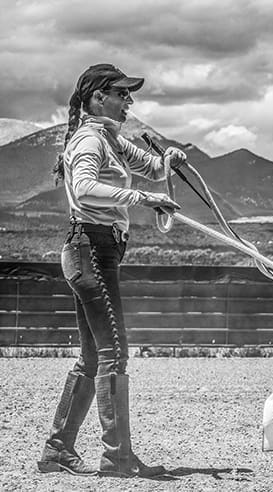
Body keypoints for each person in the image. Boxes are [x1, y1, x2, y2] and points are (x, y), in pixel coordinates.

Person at [37, 63, 184, 478]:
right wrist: (142, 198)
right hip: (93, 250)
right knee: (114, 352)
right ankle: (117, 457)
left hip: (94, 250)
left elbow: (154, 169)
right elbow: (83, 188)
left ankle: (57, 451)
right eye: (122, 94)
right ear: (98, 97)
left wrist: (167, 158)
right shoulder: (90, 141)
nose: (129, 102)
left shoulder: (112, 140)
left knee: (92, 357)